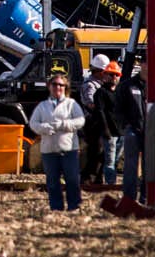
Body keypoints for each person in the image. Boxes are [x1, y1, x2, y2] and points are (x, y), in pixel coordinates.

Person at [28, 72, 86, 211]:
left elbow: (81, 120)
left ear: (65, 87)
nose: (57, 87)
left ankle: (74, 207)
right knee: (52, 182)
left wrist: (64, 125)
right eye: (54, 84)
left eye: (61, 85)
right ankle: (56, 208)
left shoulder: (71, 104)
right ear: (49, 86)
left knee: (72, 180)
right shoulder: (42, 106)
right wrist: (44, 128)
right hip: (49, 150)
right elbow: (33, 123)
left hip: (68, 150)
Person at [114, 63, 147, 203]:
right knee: (130, 166)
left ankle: (146, 197)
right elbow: (118, 107)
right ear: (142, 65)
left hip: (151, 133)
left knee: (149, 167)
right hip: (133, 130)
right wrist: (126, 125)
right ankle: (129, 198)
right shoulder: (128, 85)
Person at [92, 61, 125, 185]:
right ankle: (110, 184)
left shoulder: (120, 93)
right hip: (110, 132)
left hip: (121, 132)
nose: (114, 77)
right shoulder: (101, 93)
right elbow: (100, 112)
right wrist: (105, 130)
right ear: (105, 75)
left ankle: (108, 181)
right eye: (111, 74)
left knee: (115, 160)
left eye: (116, 75)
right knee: (110, 160)